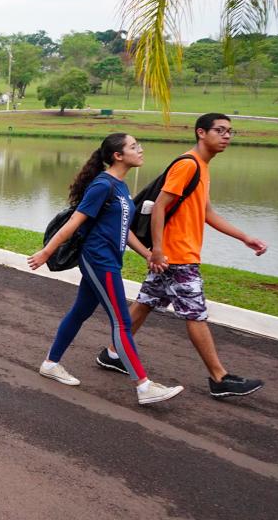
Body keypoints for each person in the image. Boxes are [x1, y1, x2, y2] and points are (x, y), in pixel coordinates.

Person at [98, 113, 268, 398]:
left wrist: (244, 237)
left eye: (230, 131)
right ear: (201, 133)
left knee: (146, 303)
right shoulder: (188, 164)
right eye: (220, 130)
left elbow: (206, 212)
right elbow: (161, 206)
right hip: (177, 256)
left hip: (175, 255)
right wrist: (159, 250)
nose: (226, 136)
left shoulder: (201, 166)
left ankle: (112, 353)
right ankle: (219, 377)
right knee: (196, 314)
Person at [28, 133, 184, 405]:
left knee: (80, 311)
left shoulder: (120, 187)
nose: (140, 150)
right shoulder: (102, 186)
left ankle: (51, 364)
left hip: (110, 259)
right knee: (122, 322)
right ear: (118, 156)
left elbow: (123, 231)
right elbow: (74, 223)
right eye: (134, 147)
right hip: (99, 260)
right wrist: (46, 252)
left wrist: (148, 253)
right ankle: (144, 385)